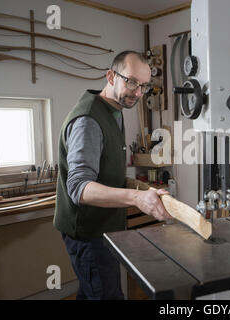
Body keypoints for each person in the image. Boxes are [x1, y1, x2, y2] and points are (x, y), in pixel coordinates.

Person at [53, 51, 171, 300]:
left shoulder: (114, 110)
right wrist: (137, 199)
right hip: (89, 232)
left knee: (92, 293)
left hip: (105, 227)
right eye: (131, 81)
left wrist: (142, 190)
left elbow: (108, 174)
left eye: (144, 86)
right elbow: (79, 187)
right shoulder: (89, 120)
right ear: (110, 76)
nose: (138, 92)